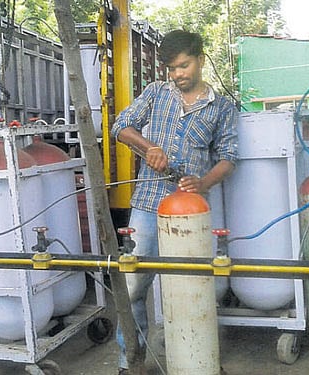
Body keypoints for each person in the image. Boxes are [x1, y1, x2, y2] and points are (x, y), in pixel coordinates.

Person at [110, 29, 238, 374]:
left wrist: (204, 182)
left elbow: (228, 157)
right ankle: (130, 362)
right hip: (149, 204)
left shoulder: (222, 108)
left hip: (190, 214)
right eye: (171, 69)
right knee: (134, 284)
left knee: (192, 288)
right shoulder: (156, 93)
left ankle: (197, 361)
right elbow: (120, 126)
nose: (177, 74)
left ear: (200, 58)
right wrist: (148, 147)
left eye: (183, 66)